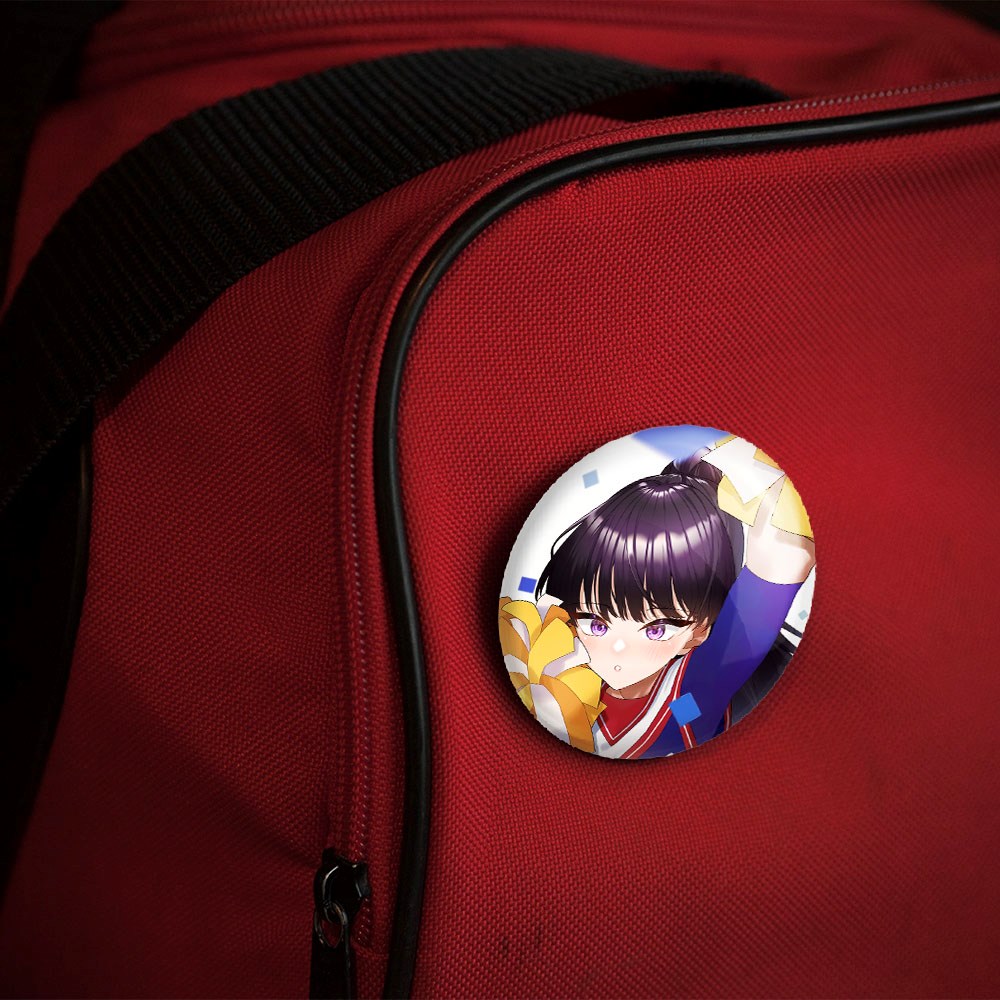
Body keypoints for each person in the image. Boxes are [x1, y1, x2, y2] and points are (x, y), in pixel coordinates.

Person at [534, 449, 815, 758]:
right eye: (596, 623)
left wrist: (775, 568)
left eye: (657, 629)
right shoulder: (565, 683)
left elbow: (733, 647)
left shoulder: (686, 697)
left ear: (699, 631)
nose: (618, 648)